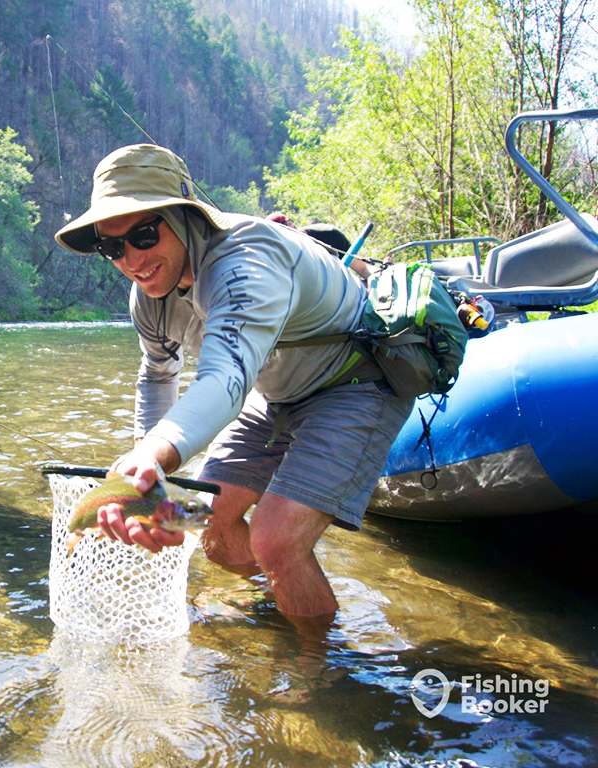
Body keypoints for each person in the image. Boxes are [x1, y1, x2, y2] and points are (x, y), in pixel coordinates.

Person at [54, 145, 413, 626]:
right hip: (274, 394)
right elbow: (158, 373)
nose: (131, 259)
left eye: (142, 234)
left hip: (353, 381)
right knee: (211, 525)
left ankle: (316, 671)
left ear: (184, 218)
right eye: (112, 247)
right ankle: (284, 601)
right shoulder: (149, 298)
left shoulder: (247, 261)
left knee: (275, 539)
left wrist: (156, 456)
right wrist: (146, 473)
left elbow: (225, 380)